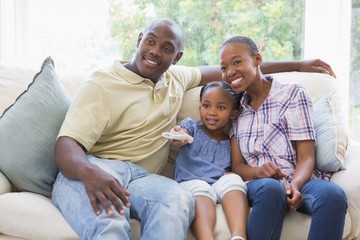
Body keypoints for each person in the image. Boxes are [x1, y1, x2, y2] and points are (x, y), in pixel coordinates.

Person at [51, 17, 338, 240]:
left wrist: (299, 64)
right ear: (139, 40)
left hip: (143, 178)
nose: (154, 52)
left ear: (176, 57)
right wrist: (91, 174)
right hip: (94, 168)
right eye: (149, 42)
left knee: (177, 200)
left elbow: (237, 68)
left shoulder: (175, 77)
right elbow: (66, 146)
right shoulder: (101, 83)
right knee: (109, 221)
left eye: (166, 48)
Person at [219, 35, 348, 240]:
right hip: (260, 186)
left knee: (333, 195)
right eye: (224, 68)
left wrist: (294, 186)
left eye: (237, 62)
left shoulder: (292, 94)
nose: (230, 72)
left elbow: (306, 157)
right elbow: (237, 166)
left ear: (257, 60)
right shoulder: (235, 109)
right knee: (271, 189)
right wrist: (258, 171)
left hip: (299, 180)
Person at [170, 81, 247, 240]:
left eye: (220, 108)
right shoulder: (191, 127)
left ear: (233, 114)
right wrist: (179, 135)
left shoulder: (231, 140)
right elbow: (181, 132)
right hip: (190, 181)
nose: (211, 112)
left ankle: (239, 236)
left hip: (218, 184)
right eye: (206, 105)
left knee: (234, 180)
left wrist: (232, 174)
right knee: (201, 187)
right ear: (200, 108)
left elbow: (237, 166)